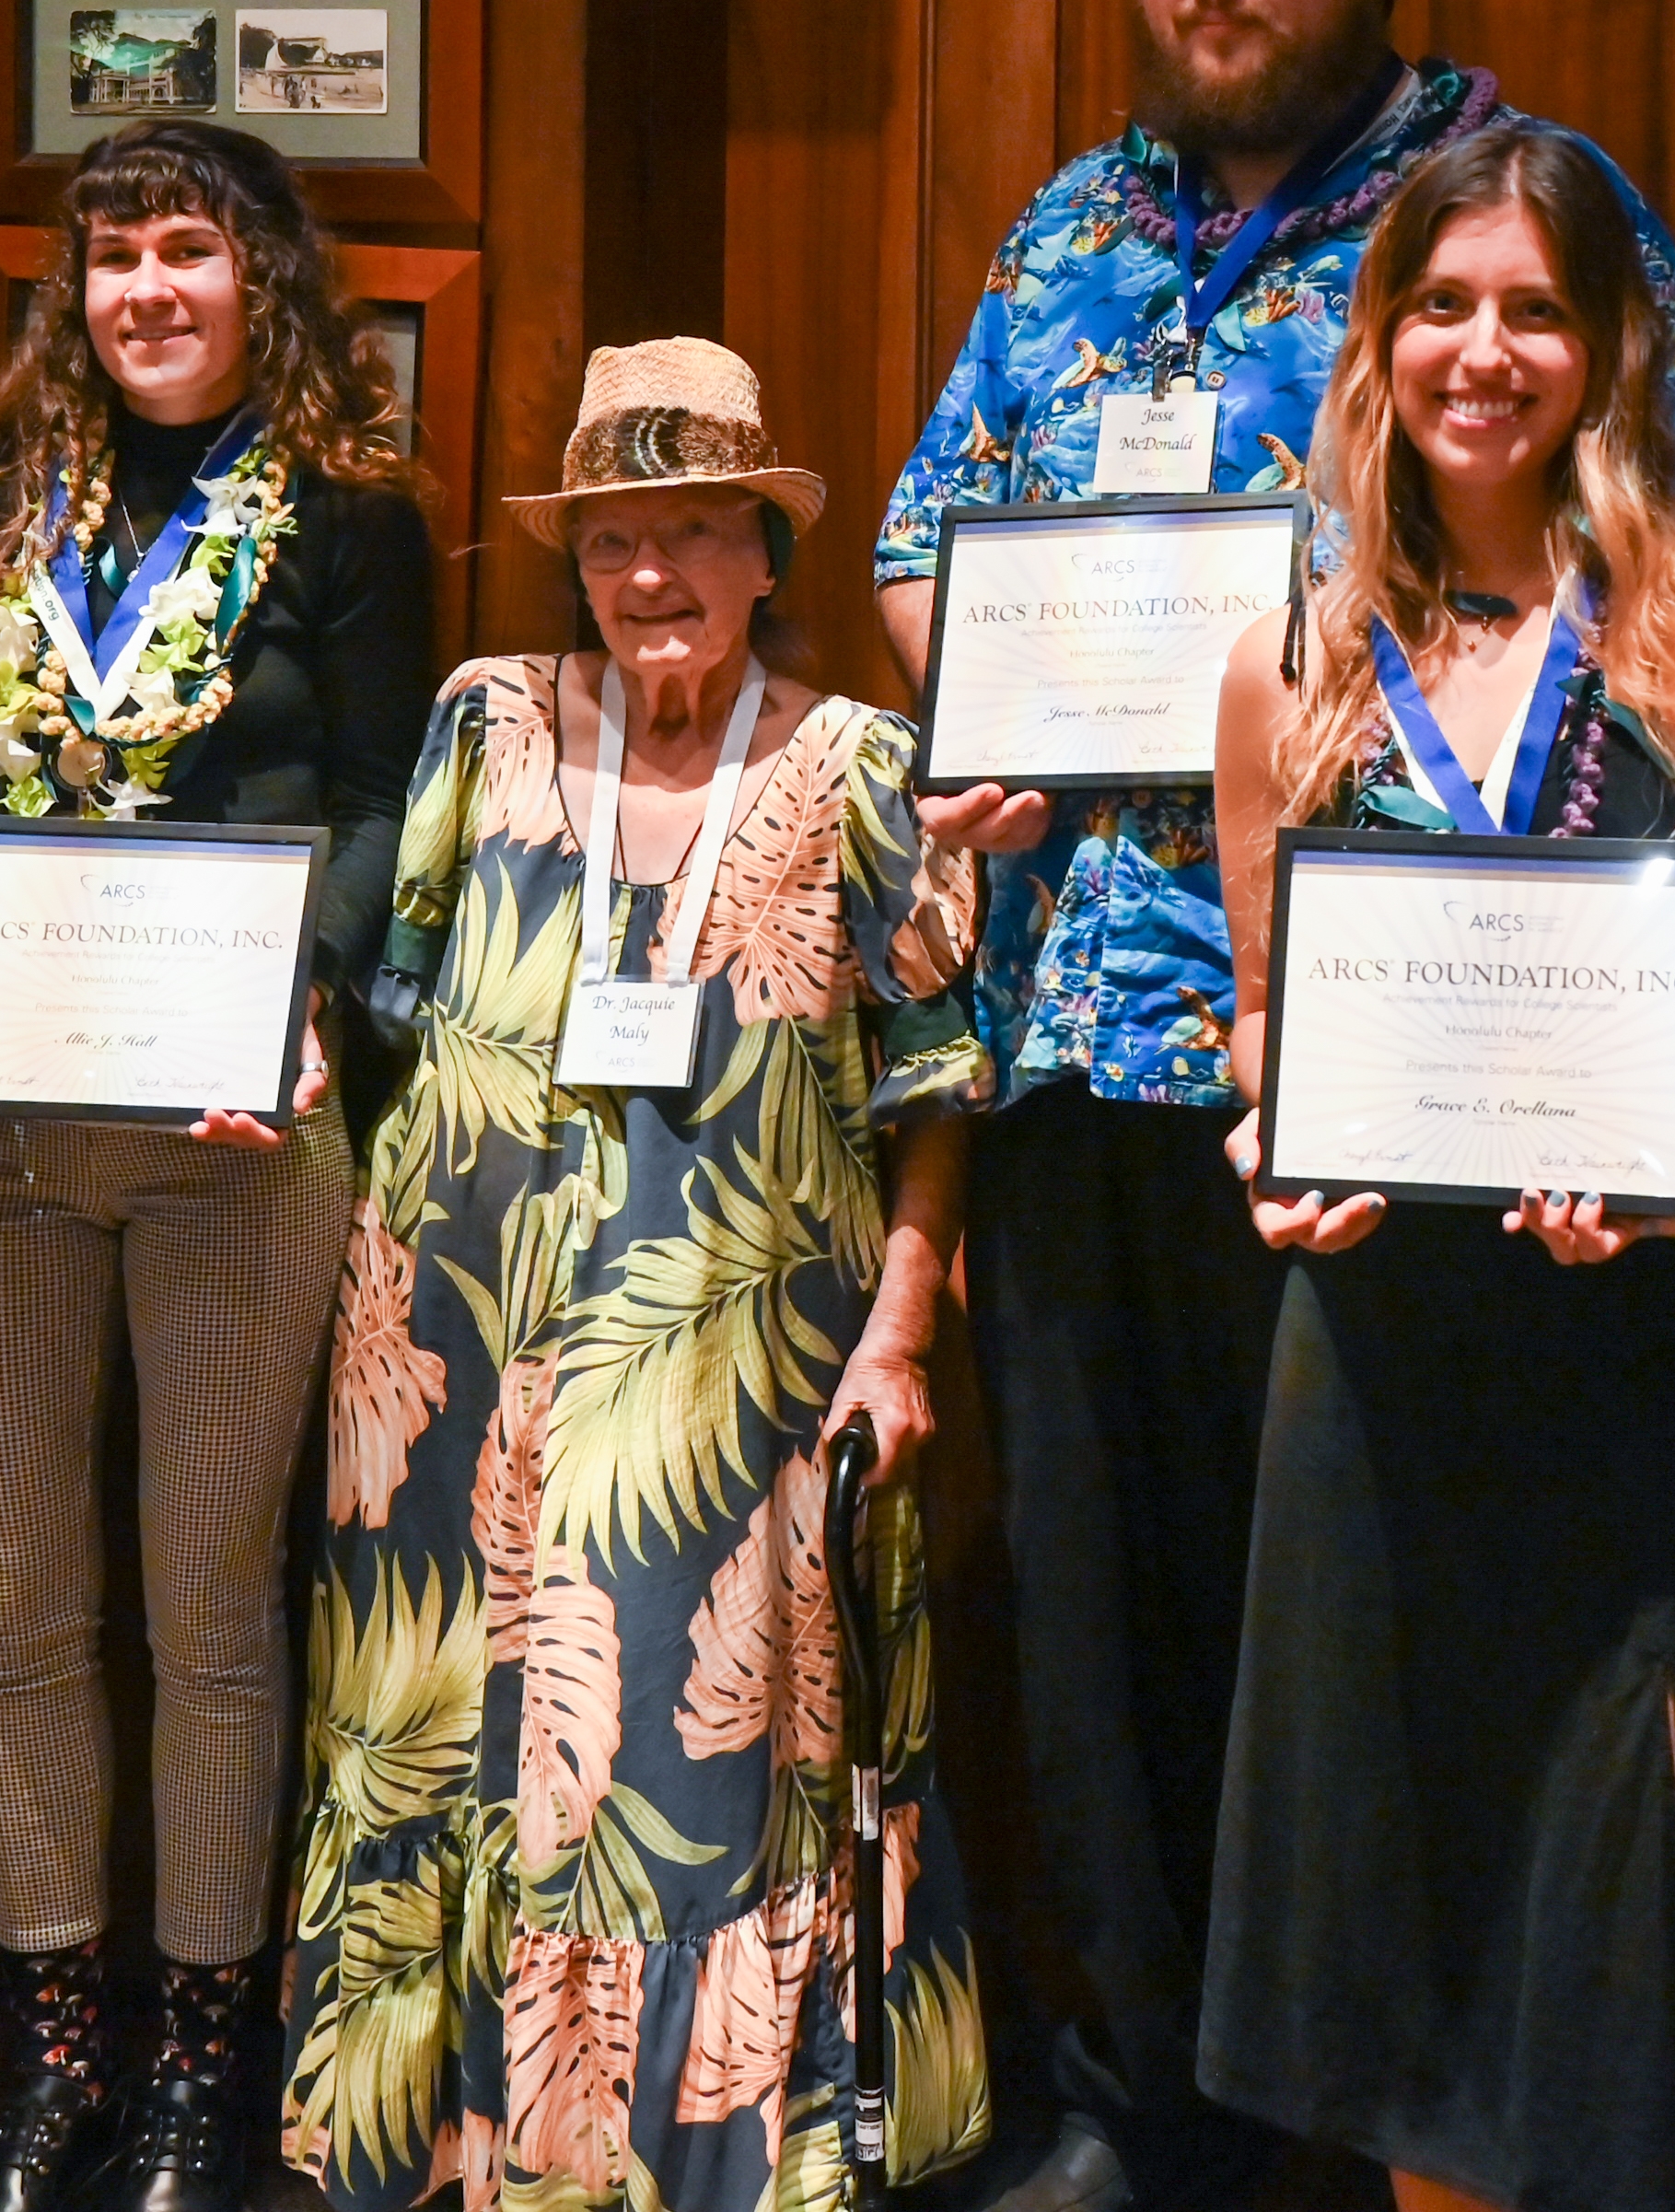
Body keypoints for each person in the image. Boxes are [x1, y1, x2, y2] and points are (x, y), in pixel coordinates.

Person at [874, 0, 1675, 2212]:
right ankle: (1146, 2101)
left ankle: (1350, 2113)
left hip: (1432, 1064)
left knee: (1344, 1632)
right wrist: (1016, 716)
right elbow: (918, 541)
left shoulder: (1513, 210)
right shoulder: (1065, 232)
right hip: (1094, 1024)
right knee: (1097, 1600)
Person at [1202, 124, 1675, 2212]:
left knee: (1672, 1914)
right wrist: (1268, 1146)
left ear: (1605, 348)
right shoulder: (1292, 665)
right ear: (1376, 341)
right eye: (1437, 305)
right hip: (1392, 1367)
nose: (1478, 351)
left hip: (1654, 1353)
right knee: (1431, 1933)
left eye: (1529, 308)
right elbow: (1260, 1018)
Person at [285, 339, 995, 2212]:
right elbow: (393, 996)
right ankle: (447, 2143)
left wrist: (902, 1332)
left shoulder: (858, 771)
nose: (650, 575)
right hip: (443, 1352)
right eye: (613, 538)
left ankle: (679, 2164)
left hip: (725, 1371)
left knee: (683, 1761)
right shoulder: (481, 722)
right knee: (433, 1733)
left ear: (767, 550)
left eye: (693, 532)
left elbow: (934, 1089)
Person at [0, 118, 436, 2212]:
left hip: (237, 1122)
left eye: (188, 252)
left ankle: (205, 2060)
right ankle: (56, 2057)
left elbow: (380, 800)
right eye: (110, 263)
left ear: (259, 277)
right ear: (68, 296)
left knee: (209, 1617)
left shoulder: (351, 521)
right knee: (15, 1611)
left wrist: (317, 999)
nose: (147, 296)